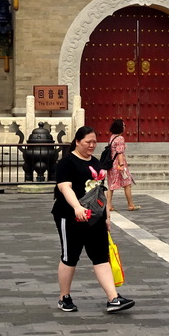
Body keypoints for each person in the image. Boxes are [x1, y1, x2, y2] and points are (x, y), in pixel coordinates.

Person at [53, 125, 134, 313]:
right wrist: (77, 208)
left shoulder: (96, 162)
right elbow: (65, 188)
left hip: (95, 217)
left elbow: (100, 191)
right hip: (69, 215)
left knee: (100, 256)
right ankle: (64, 297)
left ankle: (113, 298)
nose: (91, 145)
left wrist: (106, 216)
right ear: (77, 141)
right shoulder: (67, 163)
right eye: (88, 142)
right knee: (69, 256)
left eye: (94, 142)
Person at [104, 119, 138, 212]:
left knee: (111, 185)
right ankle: (130, 204)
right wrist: (122, 165)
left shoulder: (112, 137)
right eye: (123, 125)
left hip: (112, 164)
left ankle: (109, 205)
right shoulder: (120, 138)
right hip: (119, 164)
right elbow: (120, 153)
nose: (124, 127)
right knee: (127, 183)